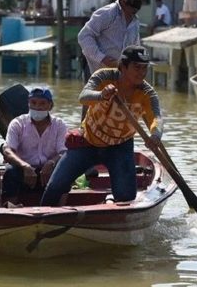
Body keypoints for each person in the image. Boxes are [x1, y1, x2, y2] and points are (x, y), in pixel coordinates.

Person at [40, 46, 163, 206]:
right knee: (55, 186)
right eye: (137, 67)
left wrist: (155, 135)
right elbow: (83, 97)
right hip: (88, 142)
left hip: (120, 146)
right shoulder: (104, 76)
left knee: (126, 197)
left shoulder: (147, 93)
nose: (141, 72)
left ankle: (112, 203)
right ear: (123, 67)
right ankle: (44, 219)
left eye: (144, 68)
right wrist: (101, 95)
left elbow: (156, 119)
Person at [1, 86, 67, 203]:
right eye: (34, 103)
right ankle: (11, 206)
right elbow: (8, 150)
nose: (37, 107)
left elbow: (63, 152)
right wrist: (24, 166)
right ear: (28, 104)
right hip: (24, 172)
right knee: (10, 171)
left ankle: (60, 208)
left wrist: (51, 163)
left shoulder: (59, 125)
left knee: (65, 170)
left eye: (42, 103)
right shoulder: (17, 123)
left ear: (50, 106)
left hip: (47, 172)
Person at [77, 0, 146, 78]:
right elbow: (84, 36)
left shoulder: (135, 22)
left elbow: (135, 48)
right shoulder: (108, 14)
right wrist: (102, 58)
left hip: (120, 77)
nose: (138, 3)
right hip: (97, 74)